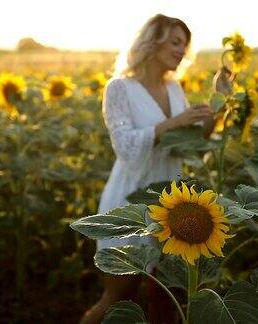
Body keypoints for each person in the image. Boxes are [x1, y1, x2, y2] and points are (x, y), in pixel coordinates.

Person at [79, 13, 215, 324]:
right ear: (152, 42)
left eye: (185, 44)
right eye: (175, 41)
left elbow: (193, 141)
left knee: (165, 298)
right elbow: (125, 146)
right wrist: (174, 123)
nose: (182, 50)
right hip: (129, 204)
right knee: (117, 298)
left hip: (170, 201)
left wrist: (218, 104)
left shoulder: (174, 88)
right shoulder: (119, 89)